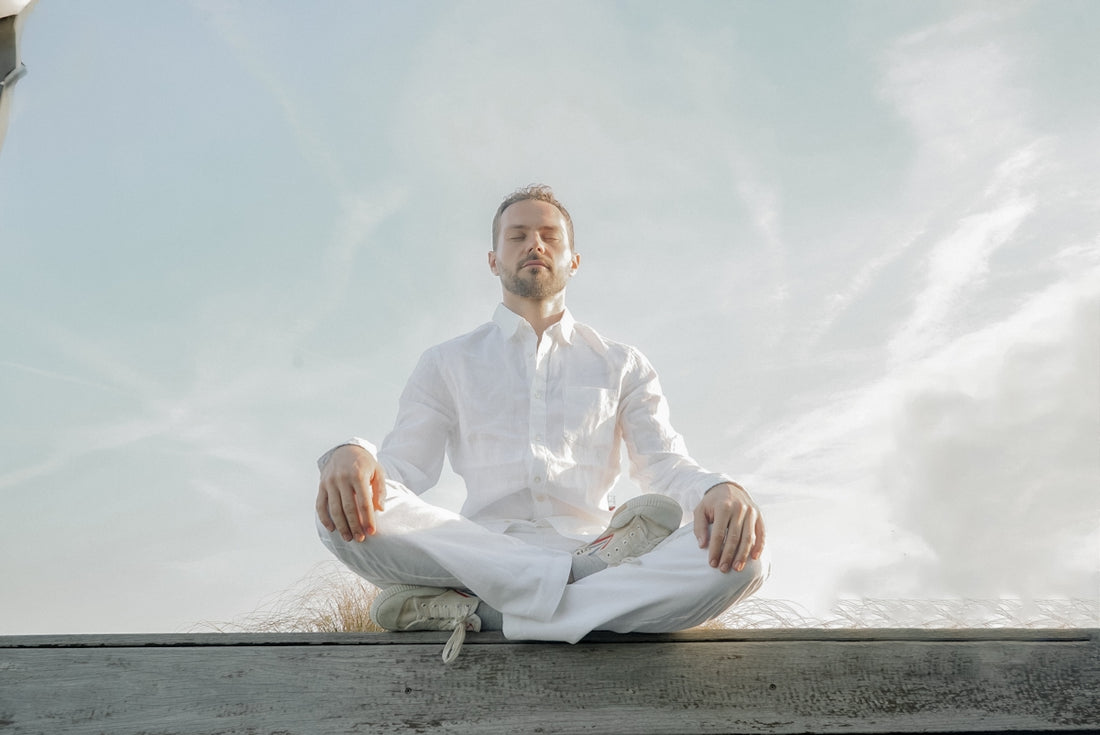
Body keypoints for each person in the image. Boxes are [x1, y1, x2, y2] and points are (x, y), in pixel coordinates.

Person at [315, 185, 768, 661]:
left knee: (748, 559)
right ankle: (568, 587)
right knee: (338, 512)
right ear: (493, 260)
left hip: (599, 549)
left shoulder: (621, 363)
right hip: (480, 551)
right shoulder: (446, 362)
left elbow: (665, 467)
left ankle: (492, 613)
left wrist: (720, 488)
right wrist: (353, 454)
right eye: (518, 236)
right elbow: (401, 471)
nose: (535, 244)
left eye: (550, 235)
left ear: (574, 260)